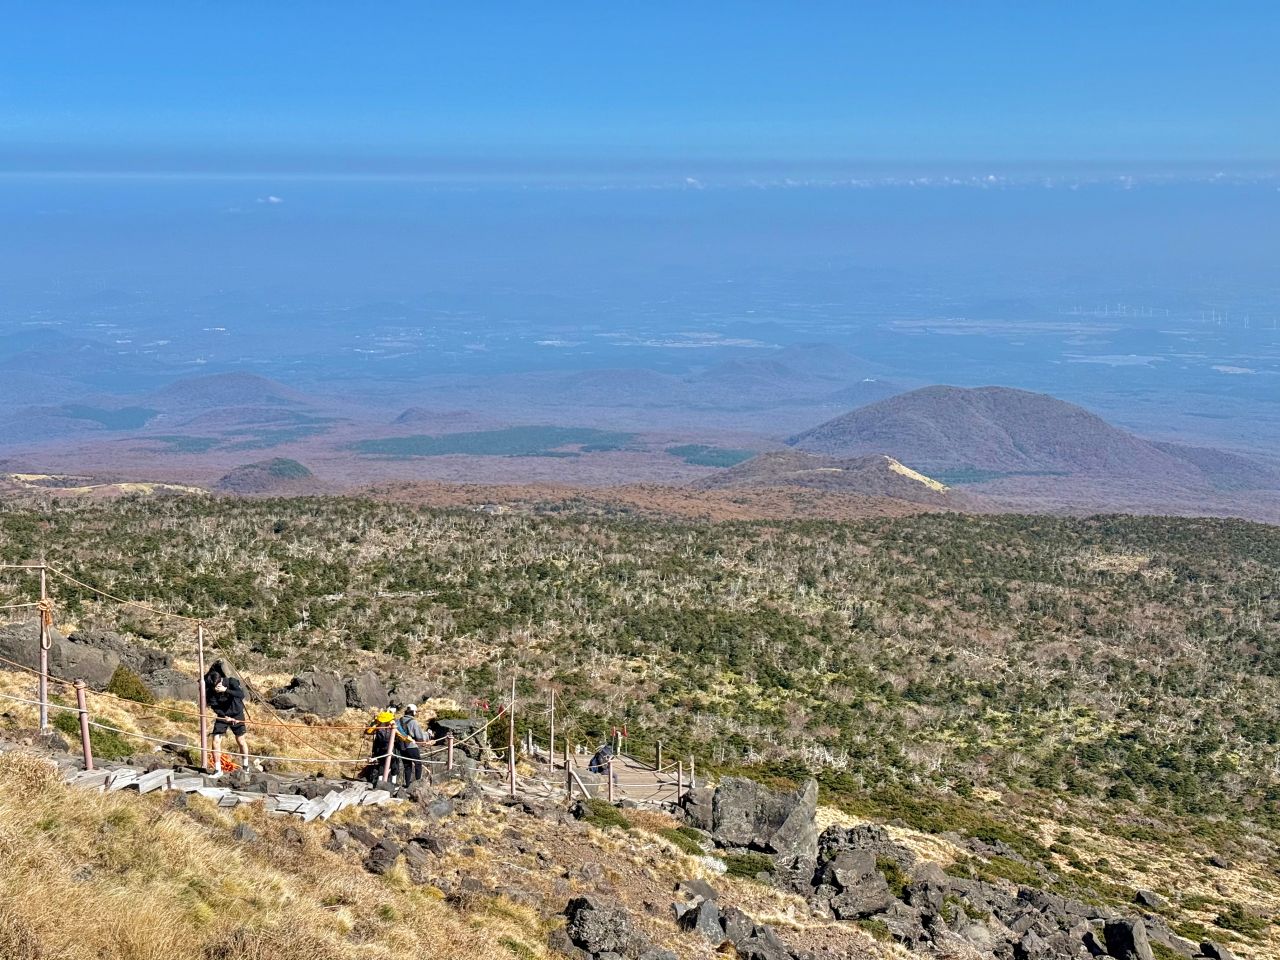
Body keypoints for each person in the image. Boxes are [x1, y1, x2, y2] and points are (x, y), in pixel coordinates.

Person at [204, 661, 248, 776]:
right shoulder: (211, 689)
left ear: (221, 681)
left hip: (237, 713)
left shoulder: (232, 682)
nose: (215, 689)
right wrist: (224, 717)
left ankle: (246, 766)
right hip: (223, 715)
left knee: (241, 740)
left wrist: (225, 690)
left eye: (217, 686)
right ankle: (218, 769)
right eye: (213, 687)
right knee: (216, 740)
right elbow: (214, 705)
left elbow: (240, 695)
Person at [394, 704, 428, 786]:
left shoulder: (399, 720)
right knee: (418, 764)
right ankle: (418, 783)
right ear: (413, 712)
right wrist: (427, 736)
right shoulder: (413, 722)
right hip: (411, 745)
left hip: (401, 746)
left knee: (407, 766)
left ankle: (407, 784)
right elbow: (419, 737)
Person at [364, 710, 397, 784]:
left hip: (380, 748)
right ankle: (393, 782)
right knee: (393, 764)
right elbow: (400, 736)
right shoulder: (392, 726)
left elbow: (368, 731)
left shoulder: (378, 727)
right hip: (389, 748)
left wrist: (375, 722)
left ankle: (380, 781)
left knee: (382, 764)